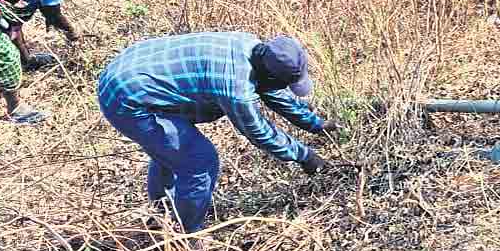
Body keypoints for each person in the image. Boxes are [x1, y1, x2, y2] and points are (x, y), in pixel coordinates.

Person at [96, 32, 339, 233]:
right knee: (198, 162)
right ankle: (188, 236)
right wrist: (304, 155)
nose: (282, 87)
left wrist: (315, 124)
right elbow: (260, 133)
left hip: (131, 67)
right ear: (271, 75)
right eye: (283, 82)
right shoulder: (235, 88)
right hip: (127, 98)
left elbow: (271, 91)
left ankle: (162, 212)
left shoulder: (249, 44)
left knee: (171, 152)